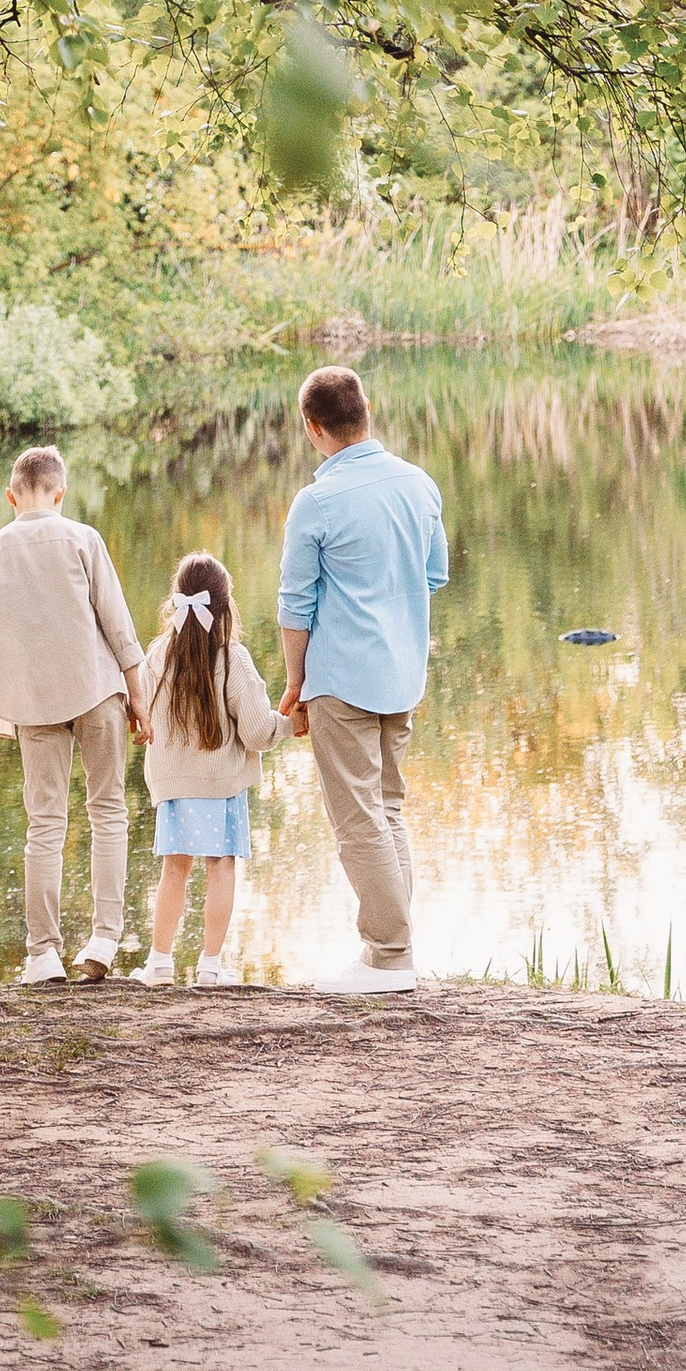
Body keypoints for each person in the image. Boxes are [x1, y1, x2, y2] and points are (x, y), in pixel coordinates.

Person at [276, 362, 448, 996]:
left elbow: (295, 606)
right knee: (388, 808)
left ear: (313, 427)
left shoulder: (316, 501)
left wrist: (295, 685)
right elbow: (433, 576)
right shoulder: (420, 484)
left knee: (356, 818)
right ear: (366, 409)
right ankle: (391, 953)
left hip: (341, 678)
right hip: (403, 673)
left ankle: (389, 955)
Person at [0, 441, 146, 982]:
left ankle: (43, 953)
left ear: (11, 496)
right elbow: (118, 624)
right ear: (60, 493)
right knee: (108, 812)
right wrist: (141, 697)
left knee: (45, 825)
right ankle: (104, 939)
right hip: (98, 691)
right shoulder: (84, 538)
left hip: (33, 703)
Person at [129, 550, 283, 990]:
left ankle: (159, 962)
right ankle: (210, 966)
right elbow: (256, 731)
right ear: (225, 606)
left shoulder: (156, 655)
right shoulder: (233, 659)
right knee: (221, 866)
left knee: (174, 869)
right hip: (222, 786)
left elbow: (142, 707)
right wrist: (290, 725)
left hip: (175, 787)